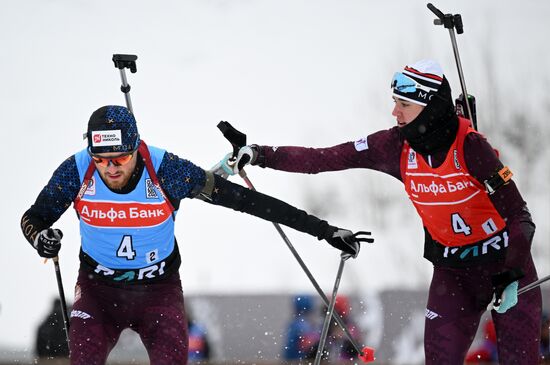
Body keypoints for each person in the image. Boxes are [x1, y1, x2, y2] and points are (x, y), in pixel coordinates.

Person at [218, 59, 543, 363]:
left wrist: (512, 272)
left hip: (505, 264)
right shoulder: (394, 146)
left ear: (428, 106)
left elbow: (520, 216)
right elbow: (323, 158)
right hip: (454, 272)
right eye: (395, 102)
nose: (394, 112)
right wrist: (259, 154)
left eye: (403, 104)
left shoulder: (471, 147)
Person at [20, 105, 372, 365]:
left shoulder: (166, 170)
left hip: (157, 291)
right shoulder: (77, 169)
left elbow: (245, 201)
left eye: (120, 158)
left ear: (137, 148)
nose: (110, 168)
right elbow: (34, 218)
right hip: (98, 290)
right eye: (102, 159)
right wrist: (40, 238)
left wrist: (322, 230)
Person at [283, 294, 318, 361]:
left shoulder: (294, 323)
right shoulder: (303, 325)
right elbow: (307, 344)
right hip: (300, 360)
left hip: (291, 360)